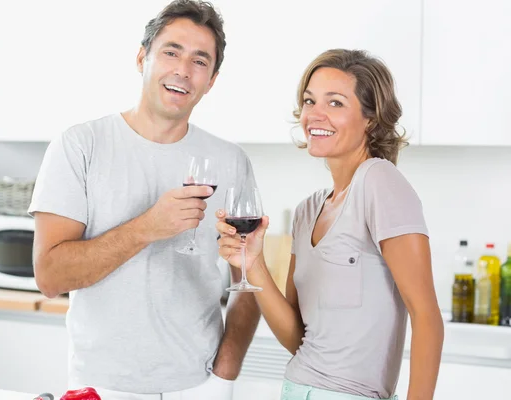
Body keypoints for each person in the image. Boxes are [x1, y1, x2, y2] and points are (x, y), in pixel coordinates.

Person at [28, 1, 261, 398]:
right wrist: (148, 227)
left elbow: (249, 280)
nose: (183, 71)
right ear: (142, 58)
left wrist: (223, 376)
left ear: (212, 80)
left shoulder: (230, 160)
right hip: (101, 385)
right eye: (171, 52)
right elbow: (50, 277)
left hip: (199, 385)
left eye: (199, 61)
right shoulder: (80, 145)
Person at [216, 49, 444, 400]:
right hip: (295, 389)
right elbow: (298, 338)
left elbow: (427, 317)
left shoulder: (379, 181)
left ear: (370, 118)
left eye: (335, 103)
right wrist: (253, 263)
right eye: (309, 101)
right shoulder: (308, 210)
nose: (315, 114)